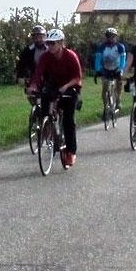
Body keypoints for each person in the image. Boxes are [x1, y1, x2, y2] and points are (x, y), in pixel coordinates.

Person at [26, 28, 83, 168]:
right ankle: (48, 127)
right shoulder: (45, 57)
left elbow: (77, 77)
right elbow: (38, 74)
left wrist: (66, 86)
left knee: (68, 121)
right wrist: (33, 86)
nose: (50, 46)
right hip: (53, 85)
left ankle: (71, 151)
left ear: (61, 43)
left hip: (70, 86)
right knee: (45, 106)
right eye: (49, 43)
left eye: (53, 43)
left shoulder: (70, 56)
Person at [89, 27, 128, 114]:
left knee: (119, 83)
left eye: (112, 36)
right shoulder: (102, 47)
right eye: (108, 36)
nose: (110, 38)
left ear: (116, 37)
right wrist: (98, 70)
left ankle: (118, 100)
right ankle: (105, 107)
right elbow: (98, 59)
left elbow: (123, 59)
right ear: (106, 37)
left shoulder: (120, 47)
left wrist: (121, 69)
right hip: (106, 69)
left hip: (117, 68)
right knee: (105, 87)